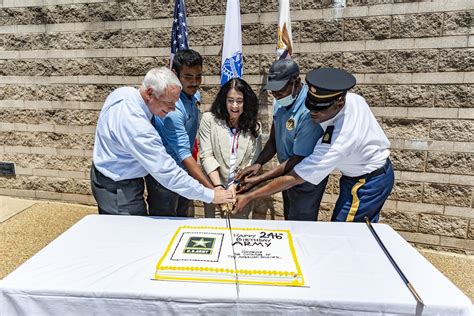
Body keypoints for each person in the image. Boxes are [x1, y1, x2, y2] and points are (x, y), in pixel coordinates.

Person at [233, 67, 394, 223]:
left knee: (344, 230)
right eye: (311, 106)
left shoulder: (337, 141)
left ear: (339, 103)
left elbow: (294, 177)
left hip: (369, 180)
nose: (313, 114)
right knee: (359, 229)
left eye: (320, 109)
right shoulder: (351, 98)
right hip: (354, 176)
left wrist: (250, 196)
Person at [90, 67, 234, 216]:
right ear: (150, 93)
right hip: (118, 187)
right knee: (130, 233)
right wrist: (211, 195)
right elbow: (166, 172)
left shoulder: (123, 93)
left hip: (113, 174)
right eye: (169, 102)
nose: (173, 109)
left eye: (176, 102)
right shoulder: (138, 127)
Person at [236, 59, 328, 221]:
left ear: (296, 82)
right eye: (273, 91)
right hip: (286, 172)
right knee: (289, 218)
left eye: (280, 90)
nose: (276, 95)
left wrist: (260, 179)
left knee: (300, 224)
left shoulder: (309, 111)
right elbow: (273, 140)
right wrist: (258, 163)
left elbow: (297, 159)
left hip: (304, 178)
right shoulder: (280, 101)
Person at [145, 49, 213, 217]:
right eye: (188, 77)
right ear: (175, 74)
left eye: (198, 77)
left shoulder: (194, 94)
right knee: (165, 223)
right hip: (165, 176)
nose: (194, 83)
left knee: (183, 219)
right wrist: (212, 191)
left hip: (184, 172)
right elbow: (183, 153)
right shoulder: (172, 109)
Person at [199, 78, 262, 219]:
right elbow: (206, 155)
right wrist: (219, 188)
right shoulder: (209, 120)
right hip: (215, 191)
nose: (234, 106)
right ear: (223, 100)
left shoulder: (254, 126)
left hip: (240, 194)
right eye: (230, 100)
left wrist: (236, 185)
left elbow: (252, 162)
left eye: (239, 101)